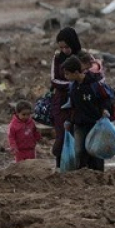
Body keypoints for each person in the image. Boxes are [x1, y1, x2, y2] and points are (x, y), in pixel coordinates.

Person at [61, 55, 115, 172]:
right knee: (79, 151)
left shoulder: (94, 84)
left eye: (67, 74)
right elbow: (73, 106)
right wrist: (69, 121)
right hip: (80, 124)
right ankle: (82, 175)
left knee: (96, 151)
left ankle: (98, 175)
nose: (66, 77)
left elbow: (106, 98)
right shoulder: (73, 87)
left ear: (76, 72)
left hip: (95, 124)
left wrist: (105, 109)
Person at [49, 27, 81, 168]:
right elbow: (54, 80)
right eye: (61, 47)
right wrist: (71, 83)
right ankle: (60, 165)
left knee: (78, 134)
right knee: (62, 135)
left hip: (79, 102)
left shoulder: (82, 57)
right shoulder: (57, 58)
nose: (64, 50)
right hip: (61, 102)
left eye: (67, 47)